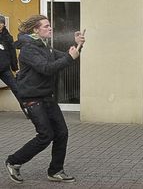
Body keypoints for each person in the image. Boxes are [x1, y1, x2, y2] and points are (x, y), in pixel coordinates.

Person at [5, 15, 85, 184]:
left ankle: (55, 171)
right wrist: (70, 57)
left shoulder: (44, 46)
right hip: (32, 98)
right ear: (35, 29)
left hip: (46, 96)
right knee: (45, 135)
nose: (50, 28)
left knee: (62, 133)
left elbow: (66, 56)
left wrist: (79, 44)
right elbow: (46, 68)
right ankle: (13, 161)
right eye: (46, 26)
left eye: (50, 26)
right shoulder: (29, 48)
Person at [0, 15, 25, 117]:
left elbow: (12, 53)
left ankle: (29, 111)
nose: (0, 25)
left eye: (1, 23)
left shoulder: (7, 37)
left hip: (5, 69)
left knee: (17, 89)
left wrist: (15, 68)